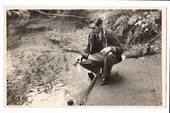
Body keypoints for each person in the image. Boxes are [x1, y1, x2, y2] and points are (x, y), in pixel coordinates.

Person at [78, 18, 124, 85]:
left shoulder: (109, 33)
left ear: (100, 26)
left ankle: (106, 76)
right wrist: (82, 54)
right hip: (99, 56)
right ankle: (99, 71)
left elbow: (120, 49)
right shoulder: (91, 34)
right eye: (91, 28)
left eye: (94, 28)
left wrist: (110, 48)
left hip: (112, 56)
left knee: (109, 55)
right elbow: (88, 48)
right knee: (81, 61)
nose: (92, 30)